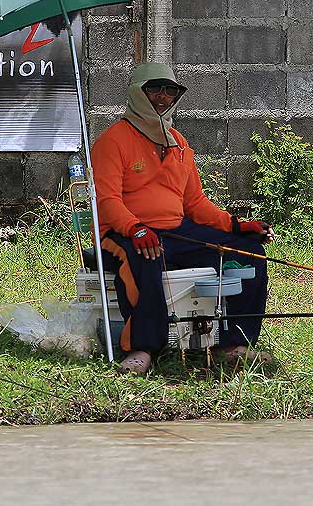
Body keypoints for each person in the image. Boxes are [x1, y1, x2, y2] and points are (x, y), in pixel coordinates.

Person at [91, 62, 274, 375]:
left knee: (249, 253)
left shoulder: (178, 143)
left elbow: (196, 203)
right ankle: (142, 348)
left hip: (177, 232)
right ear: (137, 92)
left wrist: (236, 226)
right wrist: (135, 229)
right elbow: (107, 201)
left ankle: (234, 343)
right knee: (146, 257)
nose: (163, 97)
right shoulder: (112, 140)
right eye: (155, 89)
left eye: (170, 90)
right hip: (123, 234)